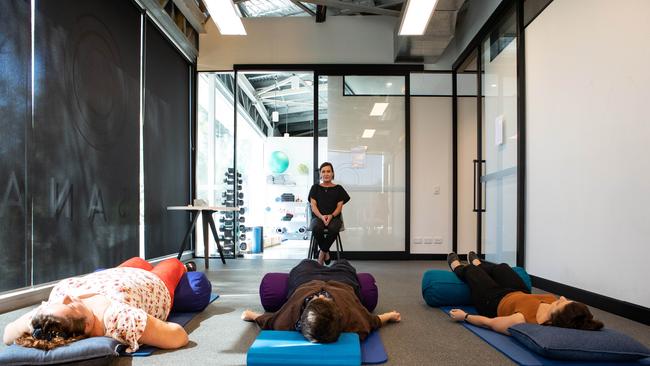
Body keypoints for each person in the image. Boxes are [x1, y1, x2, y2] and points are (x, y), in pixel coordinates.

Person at [3, 257, 196, 352]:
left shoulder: (52, 315)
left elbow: (8, 334)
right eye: (70, 306)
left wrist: (38, 323)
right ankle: (185, 267)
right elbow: (179, 336)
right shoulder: (118, 320)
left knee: (138, 260)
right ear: (86, 325)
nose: (66, 298)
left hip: (113, 275)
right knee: (172, 263)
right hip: (152, 282)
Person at [241, 259, 400, 343]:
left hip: (306, 281)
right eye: (325, 299)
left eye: (317, 299)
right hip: (342, 281)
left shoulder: (288, 320)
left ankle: (317, 262)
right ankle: (332, 261)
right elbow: (372, 321)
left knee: (306, 263)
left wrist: (252, 315)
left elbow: (270, 322)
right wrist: (390, 315)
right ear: (339, 314)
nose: (321, 294)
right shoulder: (353, 321)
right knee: (343, 263)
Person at [446, 252, 603, 335]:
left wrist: (464, 316)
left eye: (561, 303)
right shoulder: (551, 301)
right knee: (503, 268)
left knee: (472, 272)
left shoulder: (523, 320)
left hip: (493, 301)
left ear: (557, 316)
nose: (561, 297)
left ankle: (458, 267)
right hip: (519, 293)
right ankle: (480, 263)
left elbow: (490, 323)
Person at [308, 162, 350, 265]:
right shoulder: (315, 188)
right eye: (323, 171)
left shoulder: (339, 189)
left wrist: (331, 216)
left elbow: (339, 207)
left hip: (334, 217)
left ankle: (321, 254)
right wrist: (322, 217)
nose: (326, 174)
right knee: (316, 227)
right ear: (320, 174)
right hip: (318, 217)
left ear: (332, 173)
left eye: (328, 171)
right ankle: (326, 253)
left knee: (334, 227)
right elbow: (313, 206)